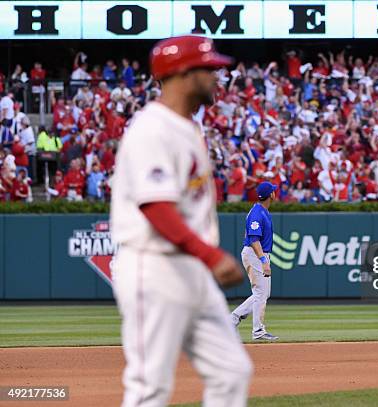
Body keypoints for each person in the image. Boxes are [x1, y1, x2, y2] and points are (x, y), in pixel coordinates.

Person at [110, 35, 252, 407]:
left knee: (231, 371)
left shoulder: (187, 127)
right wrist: (210, 255)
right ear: (182, 73)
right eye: (208, 70)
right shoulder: (151, 128)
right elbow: (156, 209)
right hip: (153, 266)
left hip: (191, 270)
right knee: (149, 388)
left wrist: (202, 260)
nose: (217, 78)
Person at [231, 181, 279, 341]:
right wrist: (263, 260)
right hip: (255, 253)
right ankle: (258, 330)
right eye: (273, 191)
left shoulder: (262, 211)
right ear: (269, 195)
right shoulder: (257, 213)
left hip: (257, 254)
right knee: (260, 293)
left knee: (263, 294)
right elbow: (253, 239)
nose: (275, 193)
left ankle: (233, 319)